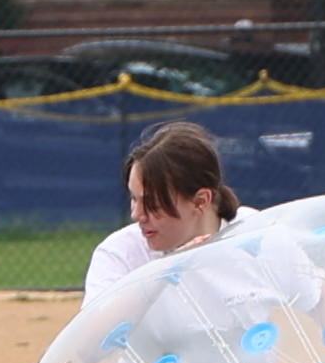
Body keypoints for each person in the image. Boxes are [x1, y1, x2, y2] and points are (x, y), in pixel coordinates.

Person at [86, 121, 239, 301]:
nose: (136, 215)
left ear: (200, 201)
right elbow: (99, 328)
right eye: (134, 199)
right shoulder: (120, 254)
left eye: (152, 204)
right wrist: (166, 275)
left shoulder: (255, 236)